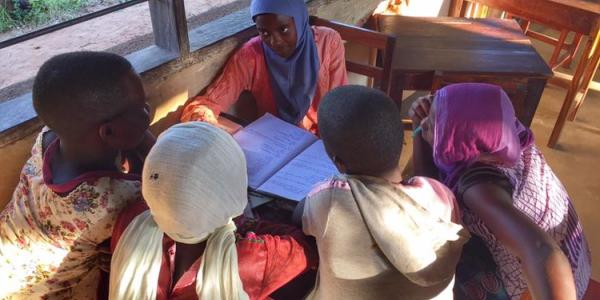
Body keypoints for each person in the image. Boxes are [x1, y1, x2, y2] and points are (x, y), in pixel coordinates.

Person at [409, 83, 591, 299]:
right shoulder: (505, 136)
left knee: (428, 253)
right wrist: (427, 124)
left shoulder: (479, 186)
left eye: (433, 122)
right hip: (577, 261)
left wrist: (420, 133)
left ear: (458, 139)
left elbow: (542, 251)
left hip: (536, 284)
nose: (425, 122)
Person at [0, 51, 153, 299]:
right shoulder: (115, 199)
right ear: (109, 132)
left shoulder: (47, 138)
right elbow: (167, 171)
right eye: (140, 109)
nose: (148, 110)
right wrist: (146, 138)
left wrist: (135, 127)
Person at [295, 85, 469, 299]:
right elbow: (426, 185)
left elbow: (299, 215)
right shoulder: (443, 196)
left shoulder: (331, 200)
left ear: (339, 163)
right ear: (401, 142)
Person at [109, 122, 316, 300]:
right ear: (233, 192)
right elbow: (304, 247)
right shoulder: (252, 257)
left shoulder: (131, 223)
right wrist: (243, 222)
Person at [180, 0, 348, 133]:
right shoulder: (251, 55)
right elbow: (209, 102)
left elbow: (340, 104)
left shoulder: (328, 42)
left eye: (283, 29)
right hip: (275, 144)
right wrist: (203, 120)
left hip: (323, 141)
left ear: (299, 20)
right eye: (265, 33)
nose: (274, 42)